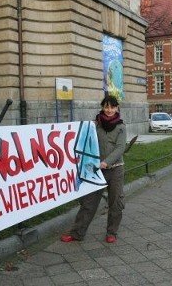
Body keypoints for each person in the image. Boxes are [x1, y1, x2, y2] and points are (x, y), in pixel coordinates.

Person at [61, 95, 126, 243]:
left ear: (117, 108)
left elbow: (120, 148)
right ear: (102, 107)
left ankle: (111, 232)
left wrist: (106, 162)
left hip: (115, 169)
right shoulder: (94, 125)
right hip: (96, 170)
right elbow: (85, 141)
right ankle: (77, 233)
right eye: (106, 106)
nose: (109, 110)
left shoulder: (121, 127)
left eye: (112, 107)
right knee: (89, 202)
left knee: (116, 202)